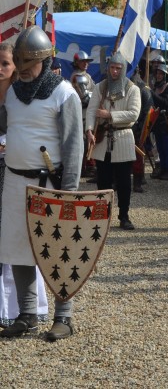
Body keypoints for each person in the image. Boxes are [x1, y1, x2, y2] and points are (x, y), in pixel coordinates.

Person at [0, 26, 83, 341]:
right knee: (16, 247)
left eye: (29, 63)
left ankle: (64, 317)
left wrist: (69, 194)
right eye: (19, 62)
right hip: (14, 182)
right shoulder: (13, 93)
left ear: (44, 61)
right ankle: (27, 315)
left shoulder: (64, 93)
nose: (22, 70)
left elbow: (74, 147)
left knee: (58, 250)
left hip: (48, 184)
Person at [0, 42, 49, 329]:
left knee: (18, 238)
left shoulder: (24, 96)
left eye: (5, 63)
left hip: (18, 176)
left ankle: (22, 309)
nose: (0, 69)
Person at [85, 52, 141, 230]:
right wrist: (89, 130)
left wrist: (109, 115)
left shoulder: (132, 89)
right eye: (112, 68)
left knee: (124, 182)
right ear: (108, 68)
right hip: (103, 140)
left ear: (123, 69)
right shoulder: (100, 87)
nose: (115, 71)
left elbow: (133, 114)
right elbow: (91, 110)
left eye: (118, 68)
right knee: (103, 181)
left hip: (123, 137)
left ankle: (124, 216)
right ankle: (103, 215)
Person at [150, 64, 168, 180]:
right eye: (157, 73)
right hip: (157, 121)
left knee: (167, 147)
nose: (158, 76)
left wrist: (152, 94)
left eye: (161, 74)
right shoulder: (156, 88)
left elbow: (165, 102)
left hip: (167, 121)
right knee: (160, 147)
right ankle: (162, 168)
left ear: (166, 75)